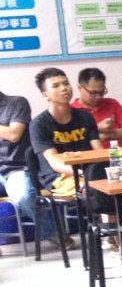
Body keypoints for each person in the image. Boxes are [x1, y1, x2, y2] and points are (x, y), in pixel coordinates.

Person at [30, 67, 102, 203]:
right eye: (56, 86)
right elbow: (54, 163)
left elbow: (100, 152)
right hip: (59, 177)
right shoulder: (39, 124)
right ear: (45, 95)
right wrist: (81, 173)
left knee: (115, 186)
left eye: (66, 83)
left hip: (89, 173)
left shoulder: (86, 117)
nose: (64, 88)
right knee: (94, 190)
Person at [0, 87, 55, 247]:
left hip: (15, 168)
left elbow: (14, 134)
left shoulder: (16, 103)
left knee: (25, 196)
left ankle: (54, 234)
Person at [71, 67, 122, 143]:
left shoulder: (112, 103)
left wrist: (106, 135)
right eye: (93, 92)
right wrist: (97, 129)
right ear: (79, 88)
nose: (98, 97)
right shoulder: (71, 111)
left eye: (101, 92)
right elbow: (73, 142)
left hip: (121, 150)